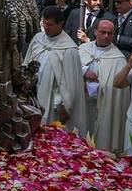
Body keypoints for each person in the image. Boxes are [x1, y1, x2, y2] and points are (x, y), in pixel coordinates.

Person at [23, 7, 86, 136]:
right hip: (30, 97)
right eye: (43, 23)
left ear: (60, 24)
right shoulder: (37, 39)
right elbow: (26, 64)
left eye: (50, 24)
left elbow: (71, 83)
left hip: (52, 102)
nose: (46, 27)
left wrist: (66, 105)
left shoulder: (69, 49)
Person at [79, 19, 130, 154]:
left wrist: (100, 86)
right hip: (82, 100)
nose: (106, 36)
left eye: (110, 33)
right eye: (102, 32)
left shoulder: (118, 59)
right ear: (95, 32)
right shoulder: (83, 49)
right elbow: (71, 68)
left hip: (103, 102)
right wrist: (84, 72)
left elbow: (117, 88)